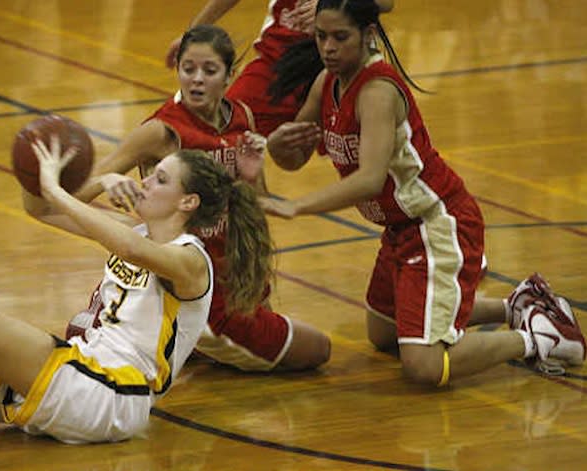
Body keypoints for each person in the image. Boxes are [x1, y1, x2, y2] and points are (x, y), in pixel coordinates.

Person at [262, 0, 585, 385]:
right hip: (399, 231)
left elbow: (369, 180)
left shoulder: (377, 90)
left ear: (368, 35)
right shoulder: (326, 83)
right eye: (320, 36)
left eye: (340, 37)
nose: (328, 47)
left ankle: (540, 338)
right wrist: (280, 147)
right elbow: (294, 157)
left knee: (424, 366)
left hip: (436, 224)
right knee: (383, 333)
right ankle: (517, 303)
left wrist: (296, 207)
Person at [0, 138, 273, 443]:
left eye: (160, 179)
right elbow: (38, 207)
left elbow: (130, 249)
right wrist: (99, 181)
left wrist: (56, 189)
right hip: (86, 369)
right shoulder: (134, 231)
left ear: (188, 202)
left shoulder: (191, 259)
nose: (146, 181)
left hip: (114, 392)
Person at [74, 24, 330, 372]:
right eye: (188, 68)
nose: (196, 79)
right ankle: (174, 329)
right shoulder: (161, 130)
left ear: (229, 75)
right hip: (191, 282)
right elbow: (79, 190)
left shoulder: (243, 117)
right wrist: (107, 179)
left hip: (231, 273)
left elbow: (254, 208)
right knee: (318, 350)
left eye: (209, 71)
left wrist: (252, 178)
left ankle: (186, 339)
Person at [164, 0, 394, 136]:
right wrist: (192, 33)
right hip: (279, 62)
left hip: (346, 62)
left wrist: (331, 4)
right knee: (221, 134)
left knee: (377, 161)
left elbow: (386, 2)